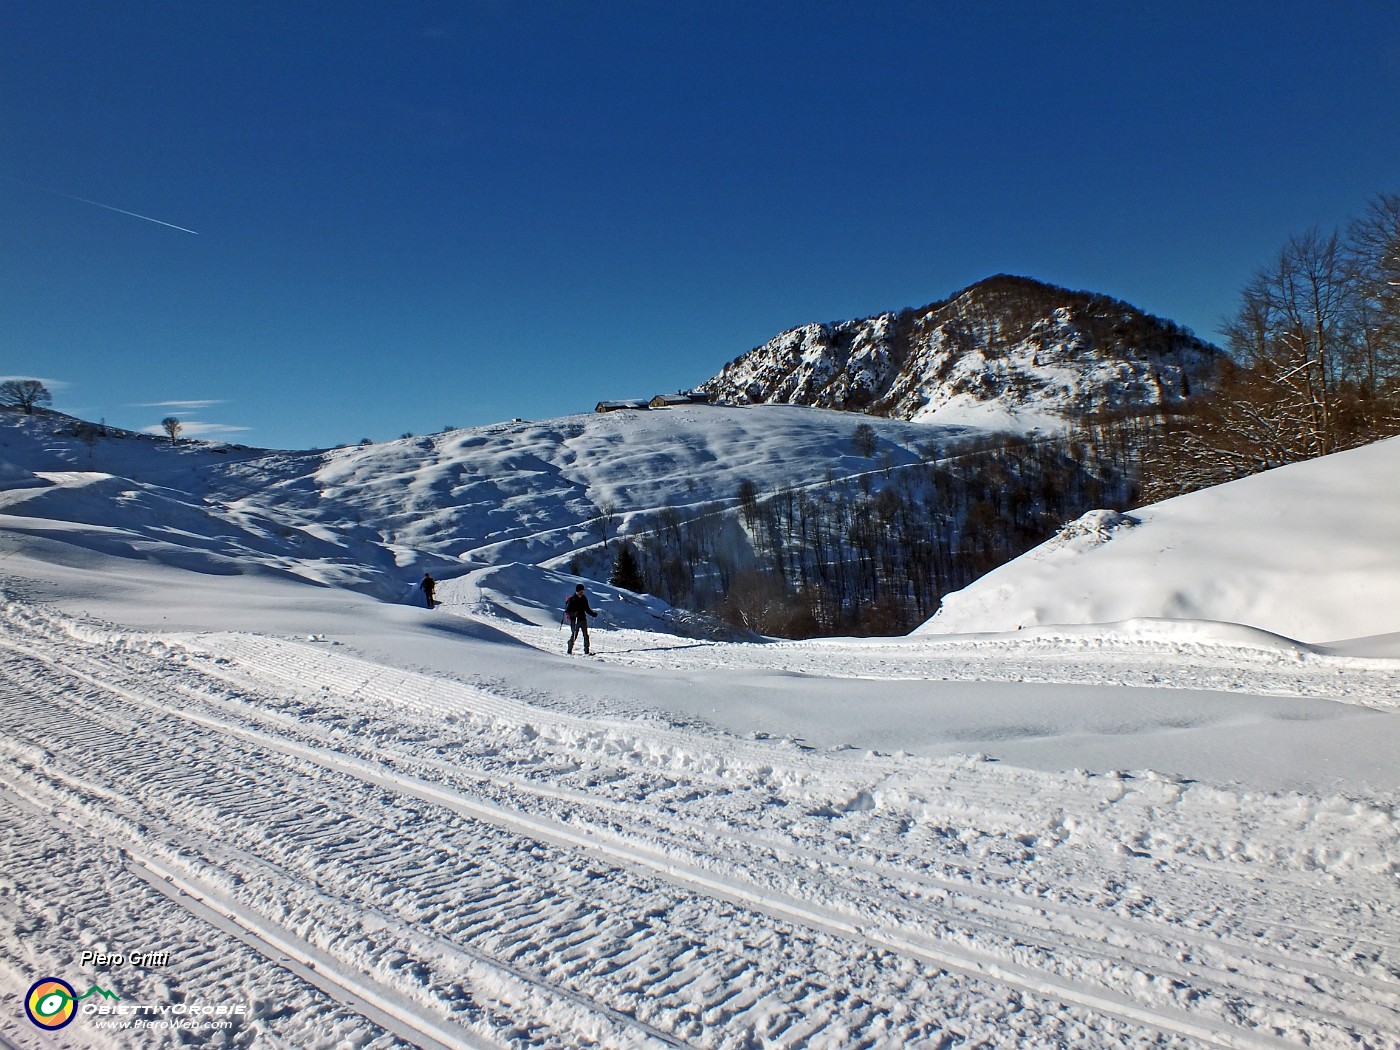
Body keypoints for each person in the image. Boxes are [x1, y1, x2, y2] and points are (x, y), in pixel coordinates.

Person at [563, 583, 598, 654]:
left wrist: (592, 614)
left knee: (586, 635)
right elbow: (567, 611)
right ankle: (569, 650)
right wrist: (574, 613)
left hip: (582, 619)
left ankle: (586, 651)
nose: (582, 593)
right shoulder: (572, 599)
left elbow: (587, 609)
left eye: (583, 591)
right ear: (577, 591)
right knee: (574, 635)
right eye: (581, 591)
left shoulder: (584, 598)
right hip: (574, 620)